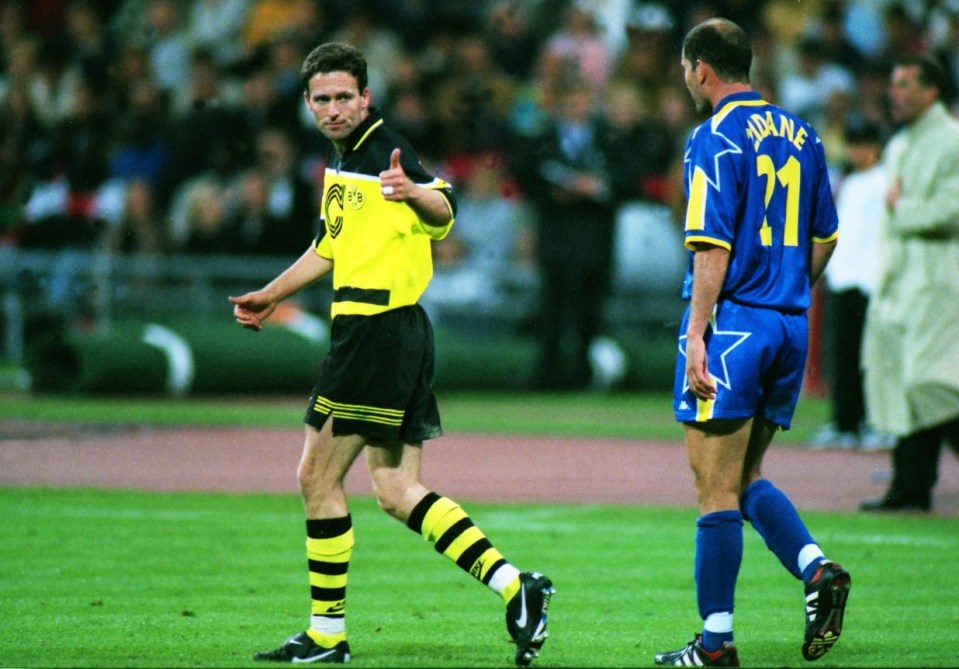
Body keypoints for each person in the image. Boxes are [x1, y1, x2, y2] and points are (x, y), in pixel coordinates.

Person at [228, 42, 553, 666]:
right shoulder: (342, 162)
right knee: (398, 489)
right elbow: (329, 246)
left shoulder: (384, 151)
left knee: (316, 476)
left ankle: (327, 634)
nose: (333, 109)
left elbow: (445, 208)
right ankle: (519, 587)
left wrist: (414, 191)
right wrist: (272, 294)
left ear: (366, 97)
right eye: (321, 99)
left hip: (374, 334)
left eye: (343, 97)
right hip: (394, 334)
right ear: (308, 104)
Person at [655, 19, 850, 666]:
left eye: (685, 68)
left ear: (699, 69)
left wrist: (695, 334)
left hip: (735, 323)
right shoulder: (803, 133)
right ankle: (815, 568)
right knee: (744, 476)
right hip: (790, 322)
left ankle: (714, 643)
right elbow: (825, 233)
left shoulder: (712, 136)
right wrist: (788, 288)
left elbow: (710, 242)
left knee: (713, 489)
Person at [859, 55, 959, 513]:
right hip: (902, 282)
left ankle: (912, 485)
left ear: (932, 90)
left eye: (904, 83)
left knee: (930, 382)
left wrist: (903, 209)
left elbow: (951, 210)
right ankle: (910, 488)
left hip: (940, 280)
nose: (893, 92)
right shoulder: (900, 143)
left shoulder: (953, 140)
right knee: (901, 383)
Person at [809, 120, 890, 450]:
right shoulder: (847, 181)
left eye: (862, 145)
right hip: (843, 278)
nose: (856, 152)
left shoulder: (884, 182)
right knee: (841, 356)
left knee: (870, 357)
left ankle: (874, 421)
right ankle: (844, 421)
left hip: (869, 280)